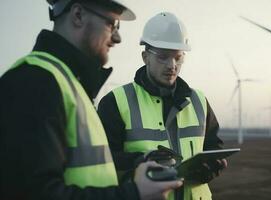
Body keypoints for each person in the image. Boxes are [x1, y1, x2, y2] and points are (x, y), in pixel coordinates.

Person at [0, 1, 182, 200]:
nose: (118, 37)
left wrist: (139, 159)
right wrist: (133, 194)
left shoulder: (67, 83)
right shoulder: (33, 82)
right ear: (78, 15)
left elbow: (86, 162)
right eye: (112, 24)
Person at [98, 12, 227, 200]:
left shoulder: (199, 101)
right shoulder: (116, 102)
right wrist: (141, 164)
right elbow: (103, 162)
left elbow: (214, 148)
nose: (172, 65)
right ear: (145, 57)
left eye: (178, 57)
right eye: (163, 57)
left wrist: (209, 169)